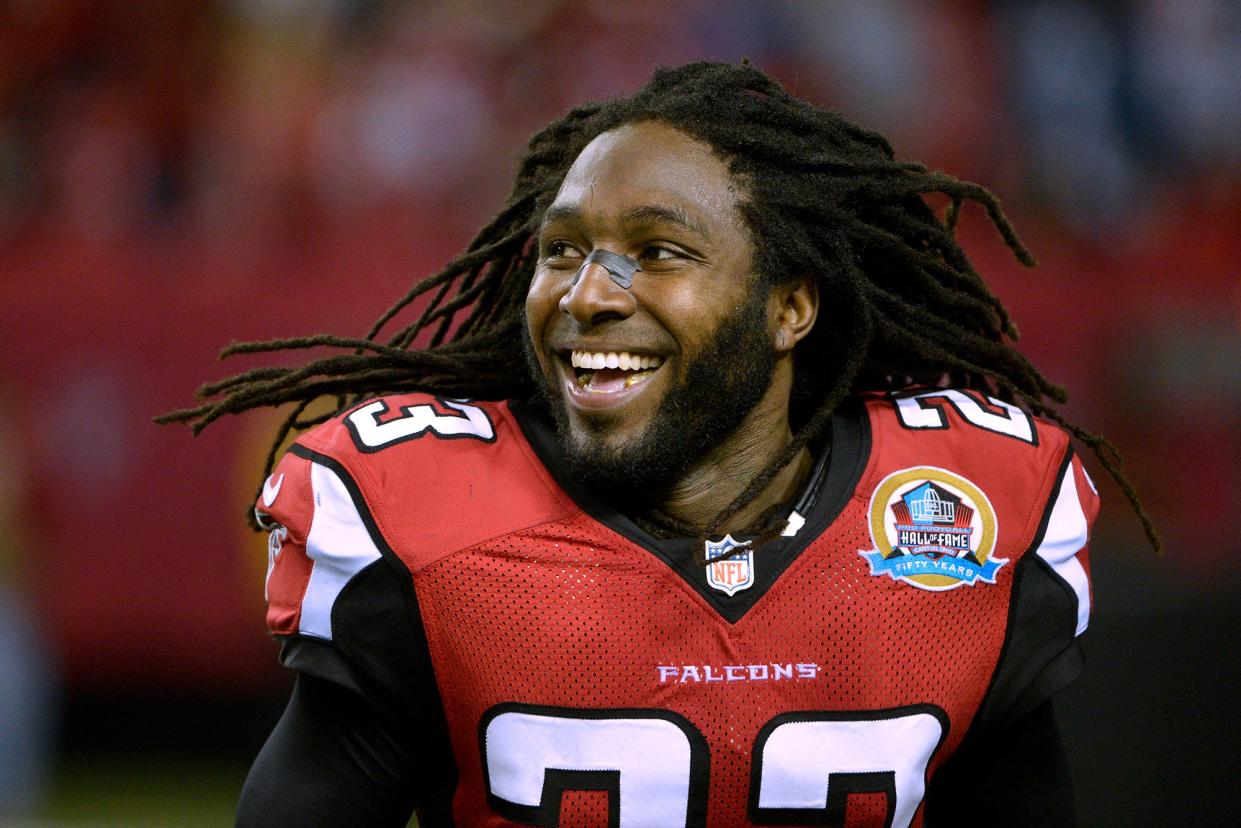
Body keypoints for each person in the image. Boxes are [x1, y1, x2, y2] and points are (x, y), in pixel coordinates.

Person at [162, 62, 1157, 827]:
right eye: (561, 250)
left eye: (657, 252)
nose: (586, 294)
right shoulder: (423, 529)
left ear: (789, 307)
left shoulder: (959, 516)